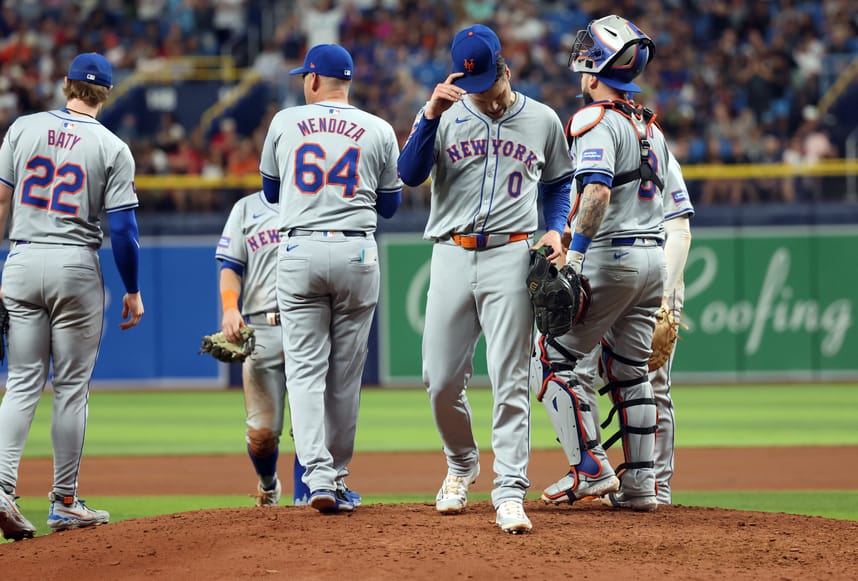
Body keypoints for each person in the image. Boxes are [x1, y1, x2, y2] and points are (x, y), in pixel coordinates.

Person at [398, 24, 573, 534]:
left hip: (512, 254)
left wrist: (558, 229)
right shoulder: (443, 114)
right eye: (469, 86)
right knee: (439, 380)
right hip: (452, 253)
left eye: (488, 86)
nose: (482, 97)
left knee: (510, 378)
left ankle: (510, 490)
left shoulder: (541, 119)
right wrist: (429, 116)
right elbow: (409, 175)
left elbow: (560, 183)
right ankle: (461, 463)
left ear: (506, 71)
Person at [0, 52, 144, 540]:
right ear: (107, 92)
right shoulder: (112, 146)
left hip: (21, 258)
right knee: (70, 388)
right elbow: (123, 230)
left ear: (66, 85)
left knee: (21, 382)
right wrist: (133, 289)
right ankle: (63, 501)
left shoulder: (22, 127)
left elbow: (1, 200)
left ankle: (1, 487)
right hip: (74, 264)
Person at [532, 14, 670, 512]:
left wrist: (576, 259)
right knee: (629, 371)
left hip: (611, 257)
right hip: (651, 258)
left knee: (552, 359)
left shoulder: (595, 120)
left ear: (595, 71)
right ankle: (641, 487)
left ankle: (589, 467)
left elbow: (595, 189)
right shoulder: (649, 125)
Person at [258, 44, 402, 513]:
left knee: (303, 371)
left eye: (305, 75)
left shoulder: (284, 121)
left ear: (315, 80)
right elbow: (391, 204)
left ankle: (316, 476)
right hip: (356, 247)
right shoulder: (379, 127)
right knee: (345, 376)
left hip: (299, 246)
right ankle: (338, 478)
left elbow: (271, 191)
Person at [537, 151, 694, 507]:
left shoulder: (657, 153)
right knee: (577, 372)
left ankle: (655, 484)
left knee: (651, 383)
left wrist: (665, 298)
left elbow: (679, 231)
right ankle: (596, 473)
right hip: (597, 281)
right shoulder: (583, 154)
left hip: (651, 282)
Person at [215, 190, 320, 507]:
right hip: (261, 326)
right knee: (261, 436)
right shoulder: (246, 208)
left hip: (308, 321)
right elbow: (231, 266)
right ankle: (268, 483)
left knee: (310, 424)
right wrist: (230, 308)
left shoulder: (318, 199)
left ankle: (308, 495)